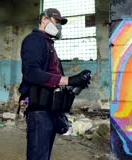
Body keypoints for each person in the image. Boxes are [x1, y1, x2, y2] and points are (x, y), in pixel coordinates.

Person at [18, 8, 91, 160]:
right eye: (57, 22)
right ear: (44, 19)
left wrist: (77, 83)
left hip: (51, 108)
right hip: (39, 109)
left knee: (44, 154)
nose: (59, 26)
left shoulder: (49, 44)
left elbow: (57, 79)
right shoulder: (34, 40)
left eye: (60, 24)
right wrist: (68, 80)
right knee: (38, 155)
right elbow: (31, 73)